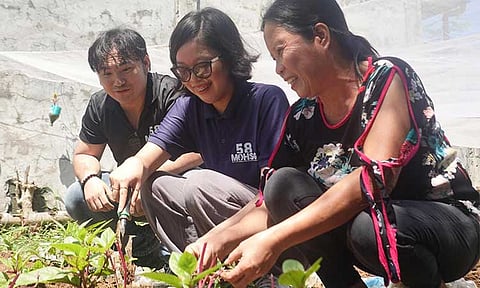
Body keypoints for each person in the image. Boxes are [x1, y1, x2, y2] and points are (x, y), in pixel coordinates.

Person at [185, 0, 480, 287]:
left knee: (369, 226)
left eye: (280, 50)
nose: (277, 69)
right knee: (282, 185)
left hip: (446, 225)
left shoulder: (386, 78)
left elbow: (373, 182)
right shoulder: (303, 115)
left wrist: (273, 239)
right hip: (375, 230)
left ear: (320, 36)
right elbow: (267, 202)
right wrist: (219, 237)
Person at [109, 7, 290, 256]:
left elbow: (273, 195)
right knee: (154, 185)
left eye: (202, 67)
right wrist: (133, 167)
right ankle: (197, 269)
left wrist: (220, 236)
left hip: (267, 219)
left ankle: (259, 274)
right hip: (220, 213)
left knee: (199, 183)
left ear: (229, 56)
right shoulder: (190, 107)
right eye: (183, 71)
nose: (194, 80)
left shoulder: (266, 100)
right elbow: (147, 157)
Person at [63, 28, 202, 268]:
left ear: (145, 62)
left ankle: (180, 256)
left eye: (126, 69)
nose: (118, 81)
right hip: (130, 189)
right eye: (107, 73)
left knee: (164, 188)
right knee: (76, 197)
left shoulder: (173, 94)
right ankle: (142, 249)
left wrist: (148, 177)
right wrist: (90, 180)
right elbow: (85, 153)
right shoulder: (101, 105)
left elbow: (199, 151)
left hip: (176, 183)